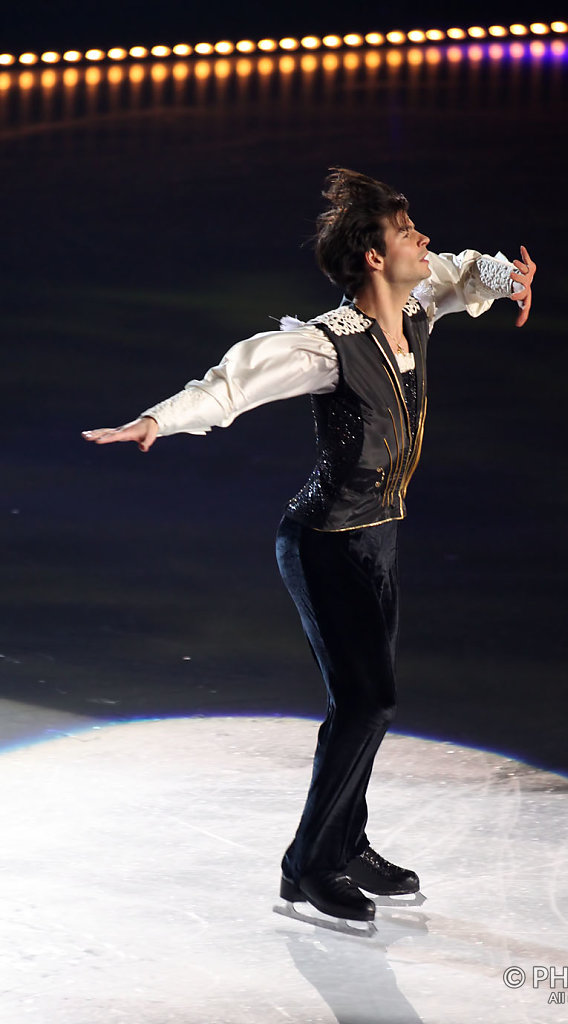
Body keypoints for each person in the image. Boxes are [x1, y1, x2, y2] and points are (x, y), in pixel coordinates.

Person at [83, 168, 536, 923]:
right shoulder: (325, 347)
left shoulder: (417, 305)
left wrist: (506, 277)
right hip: (324, 543)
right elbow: (234, 381)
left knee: (364, 705)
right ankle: (308, 865)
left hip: (379, 536)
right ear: (371, 259)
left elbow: (461, 270)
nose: (422, 239)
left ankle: (346, 842)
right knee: (368, 702)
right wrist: (159, 418)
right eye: (405, 232)